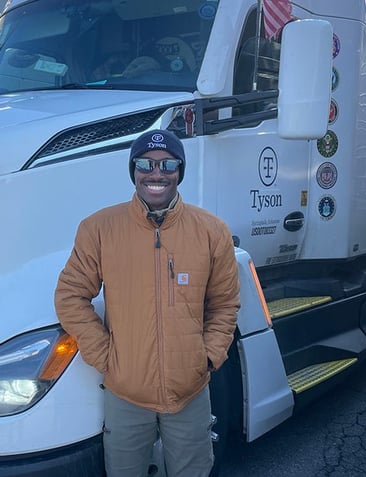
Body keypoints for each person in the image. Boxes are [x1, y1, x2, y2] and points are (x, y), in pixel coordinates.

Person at [54, 129, 241, 477]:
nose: (157, 173)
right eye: (146, 164)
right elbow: (70, 295)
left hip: (190, 392)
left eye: (168, 164)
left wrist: (208, 356)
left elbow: (225, 304)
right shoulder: (99, 228)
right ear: (133, 169)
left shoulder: (212, 231)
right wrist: (106, 357)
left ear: (180, 171)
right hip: (126, 395)